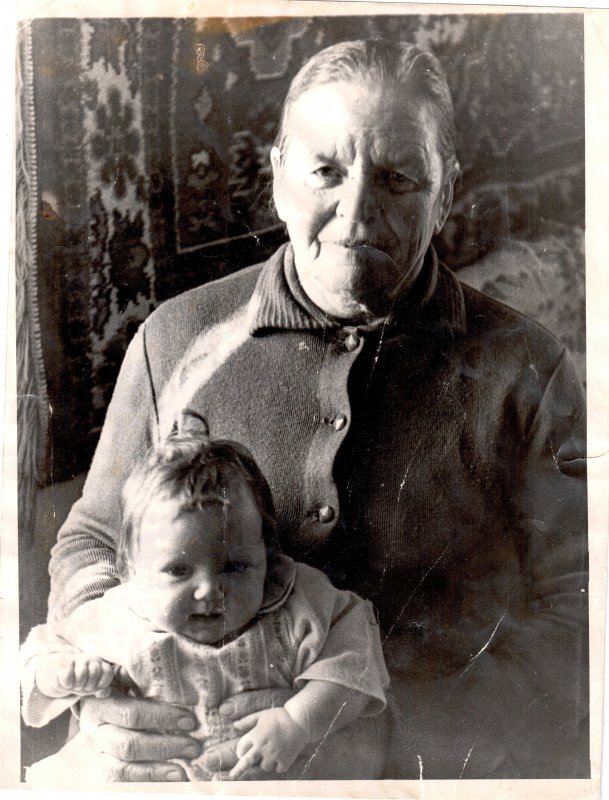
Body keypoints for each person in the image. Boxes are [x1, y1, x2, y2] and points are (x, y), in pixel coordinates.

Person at [41, 38, 588, 780]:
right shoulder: (175, 338)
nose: (356, 212)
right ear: (277, 178)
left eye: (397, 178)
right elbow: (94, 539)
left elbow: (583, 615)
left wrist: (388, 740)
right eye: (325, 171)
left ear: (445, 191)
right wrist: (107, 686)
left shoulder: (528, 368)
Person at [22, 432, 389, 781]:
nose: (210, 591)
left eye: (235, 566)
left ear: (267, 553)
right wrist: (59, 672)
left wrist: (298, 721)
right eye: (178, 570)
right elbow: (42, 648)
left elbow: (354, 657)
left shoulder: (297, 601)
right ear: (131, 565)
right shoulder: (116, 615)